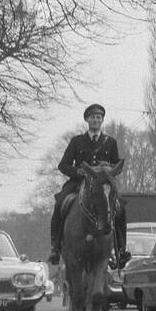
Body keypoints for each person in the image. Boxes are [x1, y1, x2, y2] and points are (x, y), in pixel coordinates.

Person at [47, 104, 127, 266]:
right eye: (92, 117)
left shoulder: (110, 142)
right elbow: (63, 165)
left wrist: (108, 170)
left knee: (120, 207)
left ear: (102, 120)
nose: (95, 120)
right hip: (79, 183)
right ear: (87, 120)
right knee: (60, 203)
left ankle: (121, 249)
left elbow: (116, 166)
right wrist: (78, 172)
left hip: (102, 185)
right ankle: (55, 247)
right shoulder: (77, 142)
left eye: (98, 117)